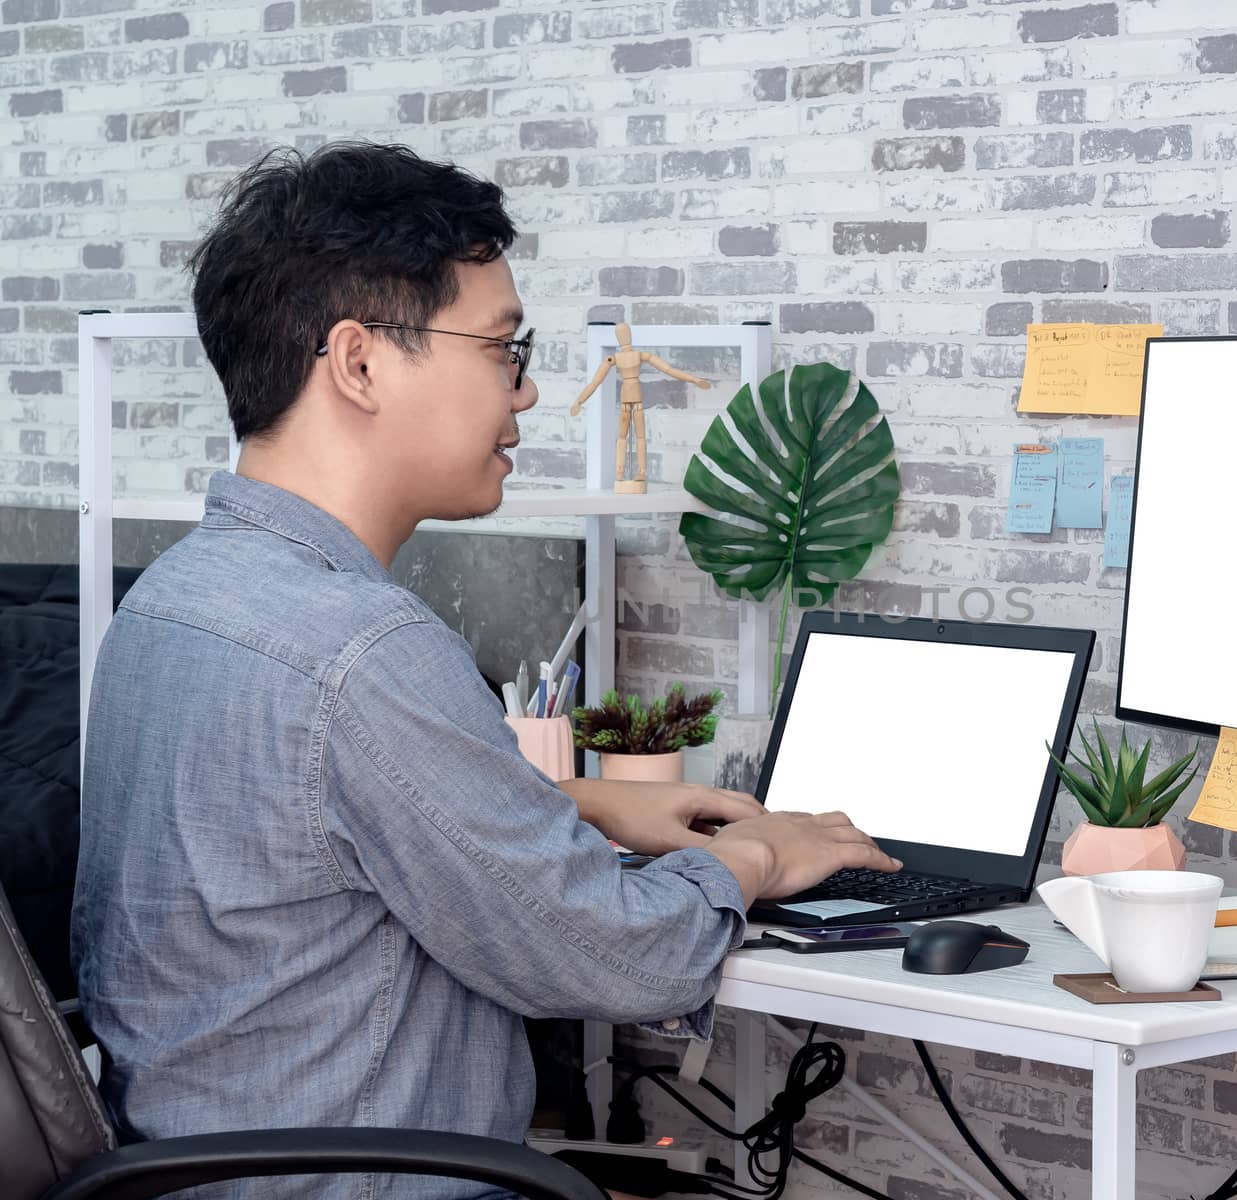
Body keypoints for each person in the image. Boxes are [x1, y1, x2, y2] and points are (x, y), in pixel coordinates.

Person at [71, 141, 900, 1200]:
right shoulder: (363, 648)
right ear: (359, 363)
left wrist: (572, 803)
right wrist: (755, 856)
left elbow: (290, 828)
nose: (528, 389)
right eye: (502, 347)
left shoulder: (173, 600)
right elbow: (611, 957)